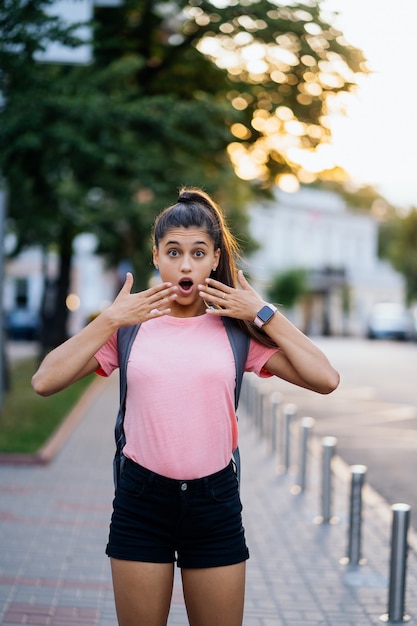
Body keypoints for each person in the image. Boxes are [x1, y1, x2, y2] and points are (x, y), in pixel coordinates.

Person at [32, 187, 340, 626]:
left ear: (215, 259)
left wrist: (263, 312)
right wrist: (110, 318)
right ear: (156, 256)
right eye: (173, 252)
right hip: (141, 502)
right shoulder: (129, 331)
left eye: (198, 253)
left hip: (215, 504)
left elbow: (326, 379)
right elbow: (44, 381)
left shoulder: (235, 333)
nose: (185, 264)